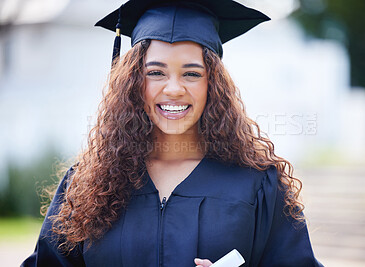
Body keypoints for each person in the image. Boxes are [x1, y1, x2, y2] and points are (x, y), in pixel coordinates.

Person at [22, 0, 323, 266]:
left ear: (213, 85)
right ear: (133, 82)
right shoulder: (88, 185)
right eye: (156, 72)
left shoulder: (257, 185)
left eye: (192, 73)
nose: (174, 89)